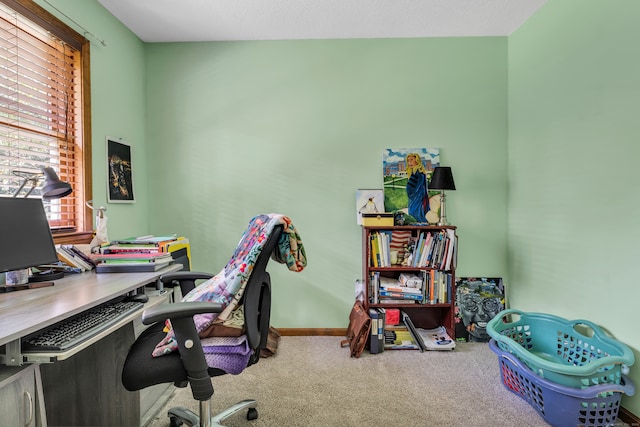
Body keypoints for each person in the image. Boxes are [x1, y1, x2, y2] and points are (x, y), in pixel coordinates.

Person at [405, 153, 429, 222]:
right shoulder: (418, 172)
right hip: (416, 197)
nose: (409, 162)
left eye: (412, 160)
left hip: (417, 198)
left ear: (417, 160)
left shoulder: (417, 173)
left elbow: (416, 187)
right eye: (408, 161)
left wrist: (410, 193)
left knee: (415, 214)